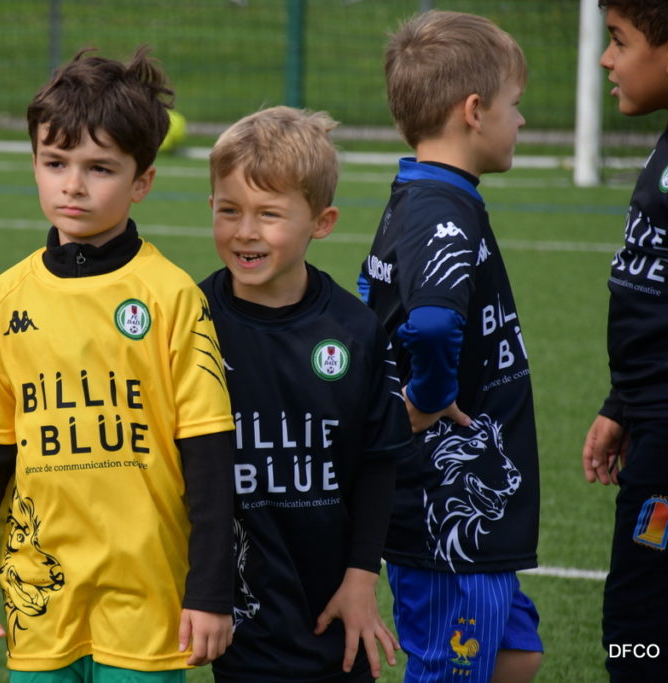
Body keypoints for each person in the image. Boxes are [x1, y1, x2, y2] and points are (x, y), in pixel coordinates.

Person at [0, 46, 237, 682]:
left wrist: (211, 589)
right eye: (55, 162)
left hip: (147, 591)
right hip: (39, 590)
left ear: (142, 182)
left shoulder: (170, 295)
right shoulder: (6, 297)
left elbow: (210, 454)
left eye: (99, 168)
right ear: (34, 163)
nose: (73, 185)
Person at [357, 10, 544, 682]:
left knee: (516, 655)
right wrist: (431, 397)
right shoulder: (440, 207)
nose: (520, 120)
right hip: (445, 507)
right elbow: (434, 324)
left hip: (467, 517)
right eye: (514, 105)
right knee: (451, 670)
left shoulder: (430, 192)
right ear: (474, 111)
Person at [200, 105, 411, 683]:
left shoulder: (355, 329)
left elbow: (377, 462)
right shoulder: (191, 321)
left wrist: (362, 577)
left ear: (322, 221)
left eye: (269, 214)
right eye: (229, 210)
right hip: (236, 608)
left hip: (333, 603)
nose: (245, 231)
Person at [580, 1, 668, 679]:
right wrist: (623, 402)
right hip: (654, 421)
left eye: (618, 41)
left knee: (638, 625)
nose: (605, 59)